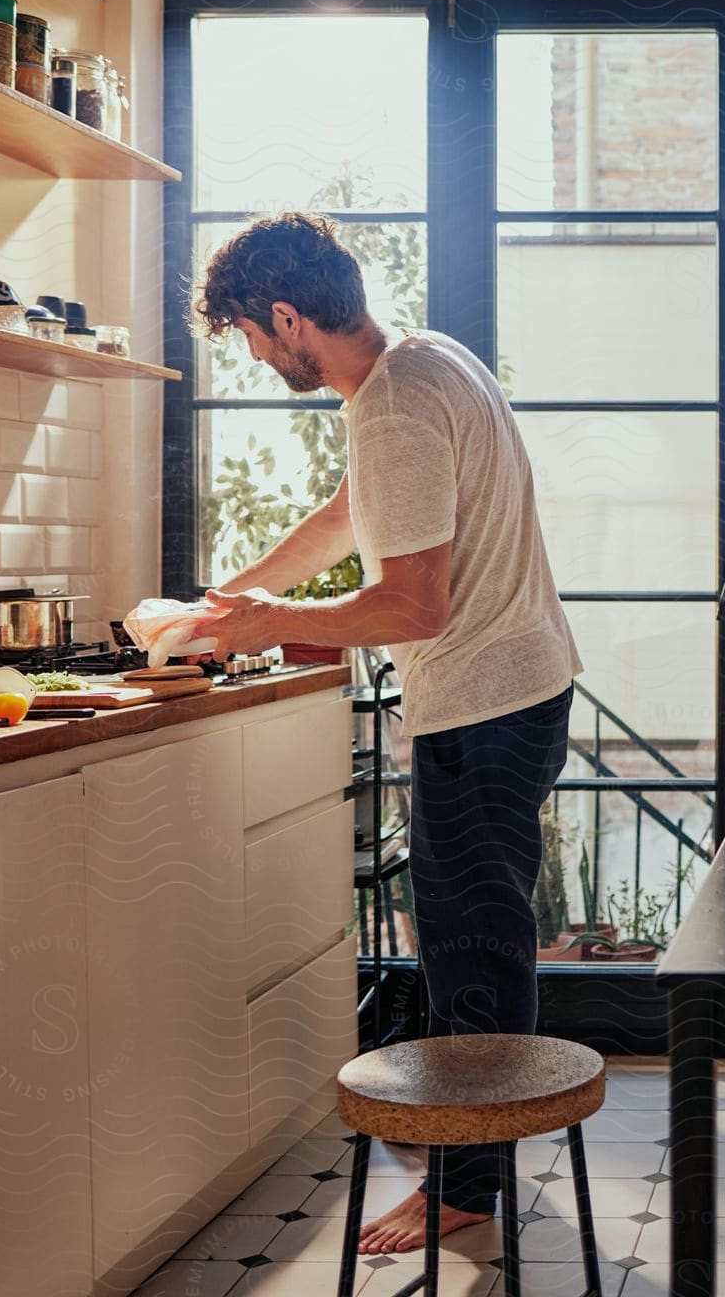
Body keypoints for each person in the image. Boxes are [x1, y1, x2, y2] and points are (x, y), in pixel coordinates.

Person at [189, 211, 582, 1256]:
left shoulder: (392, 406)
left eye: (249, 335)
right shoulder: (422, 361)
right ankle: (476, 1160)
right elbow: (353, 513)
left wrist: (272, 625)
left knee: (468, 953)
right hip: (524, 692)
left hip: (485, 710)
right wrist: (235, 594)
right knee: (475, 936)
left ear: (285, 315)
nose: (257, 356)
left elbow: (414, 604)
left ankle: (467, 1188)